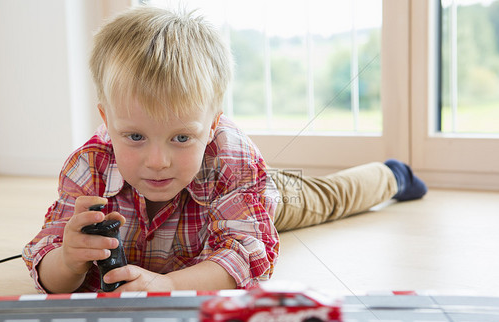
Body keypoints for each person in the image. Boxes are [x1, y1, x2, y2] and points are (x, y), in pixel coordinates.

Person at [22, 6, 427, 294]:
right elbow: (50, 271)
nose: (158, 161)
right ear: (106, 120)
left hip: (240, 201)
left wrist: (168, 286)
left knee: (323, 198)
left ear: (212, 124)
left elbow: (248, 258)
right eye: (135, 137)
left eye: (182, 137)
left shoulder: (233, 160)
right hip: (202, 218)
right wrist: (69, 260)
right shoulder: (88, 167)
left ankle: (392, 175)